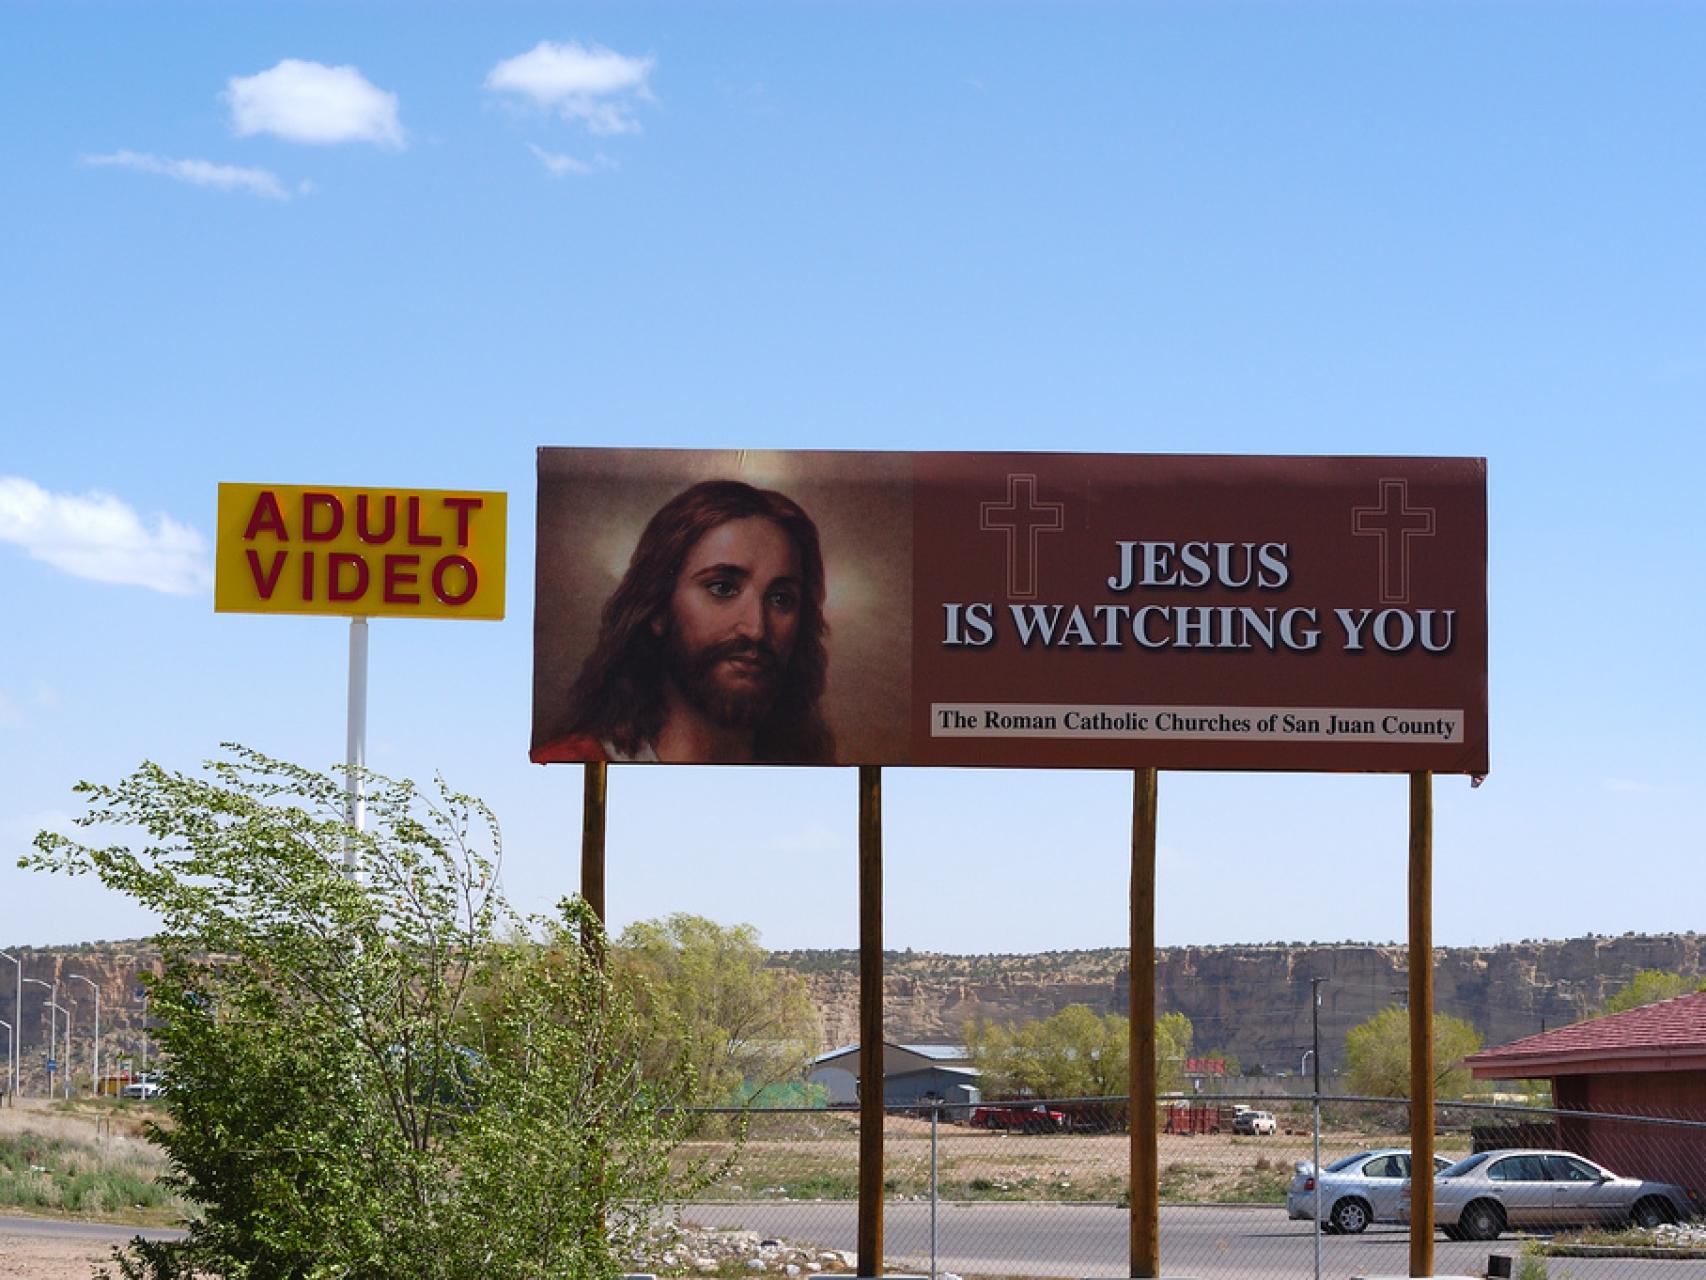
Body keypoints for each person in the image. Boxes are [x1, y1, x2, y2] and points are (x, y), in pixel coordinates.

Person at [534, 478, 835, 764]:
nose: (756, 629)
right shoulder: (567, 768)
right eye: (722, 588)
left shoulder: (809, 781)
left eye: (781, 598)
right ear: (658, 608)